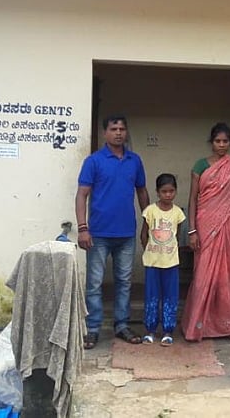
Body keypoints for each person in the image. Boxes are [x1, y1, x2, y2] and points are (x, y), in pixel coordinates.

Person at [76, 115, 149, 349]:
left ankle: (122, 325)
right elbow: (82, 195)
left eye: (122, 129)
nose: (118, 132)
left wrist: (147, 223)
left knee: (124, 282)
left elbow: (142, 192)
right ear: (105, 133)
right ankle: (93, 329)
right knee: (95, 283)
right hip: (98, 234)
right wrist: (82, 228)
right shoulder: (94, 161)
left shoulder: (134, 161)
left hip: (126, 233)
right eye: (113, 128)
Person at [181, 122, 230, 344]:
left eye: (225, 141)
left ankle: (229, 327)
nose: (221, 145)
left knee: (228, 279)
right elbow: (193, 199)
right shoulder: (201, 165)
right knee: (202, 278)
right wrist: (192, 230)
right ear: (211, 143)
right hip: (205, 226)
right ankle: (197, 326)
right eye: (217, 141)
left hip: (229, 227)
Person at [139, 173, 186, 347]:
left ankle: (168, 331)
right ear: (157, 192)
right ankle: (150, 330)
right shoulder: (150, 211)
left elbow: (177, 236)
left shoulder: (178, 213)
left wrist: (171, 252)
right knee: (151, 296)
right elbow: (144, 234)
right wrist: (150, 251)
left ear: (175, 191)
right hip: (152, 262)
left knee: (170, 297)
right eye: (164, 191)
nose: (168, 194)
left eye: (171, 191)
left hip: (171, 262)